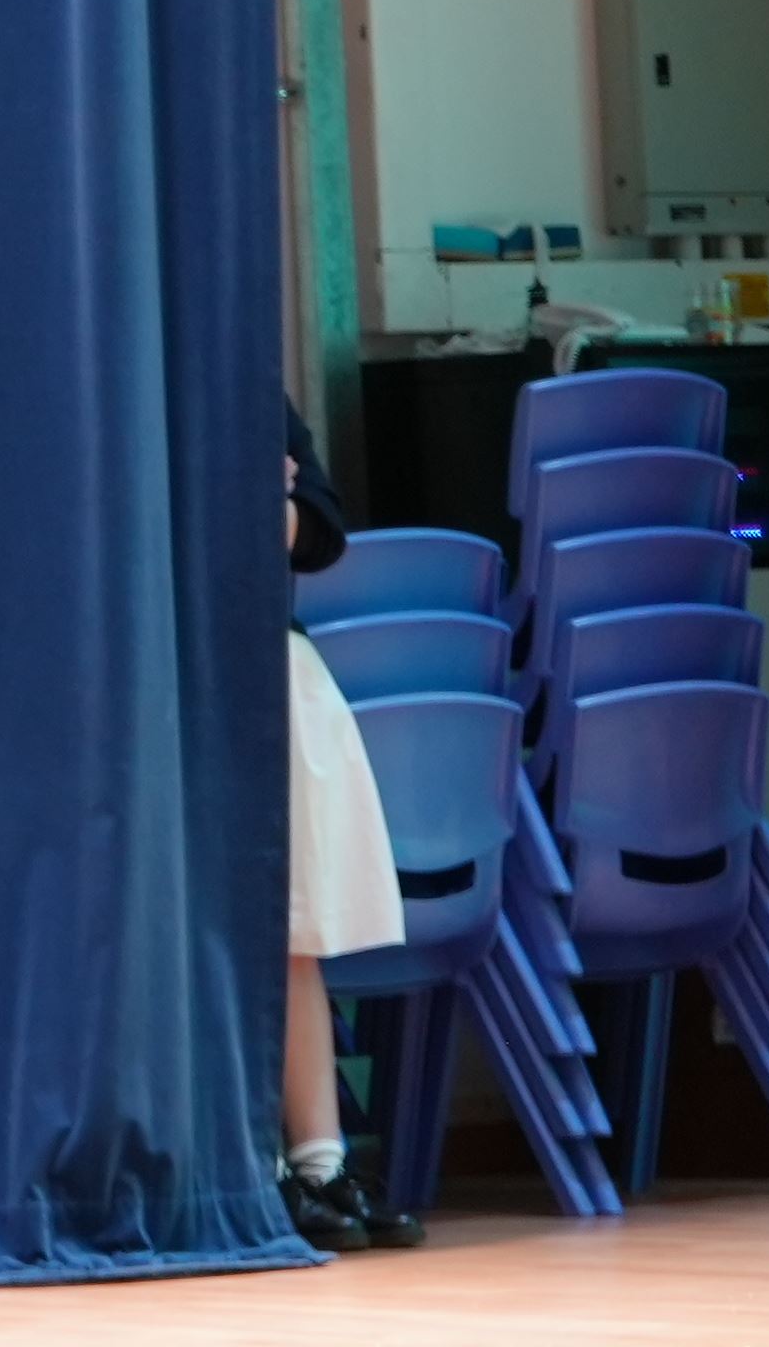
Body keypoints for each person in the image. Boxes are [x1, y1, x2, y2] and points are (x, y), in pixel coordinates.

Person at [282, 405, 425, 1252]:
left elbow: (320, 528)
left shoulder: (248, 388)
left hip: (271, 660)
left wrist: (275, 510)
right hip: (170, 662)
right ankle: (255, 1164)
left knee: (295, 932)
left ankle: (321, 1166)